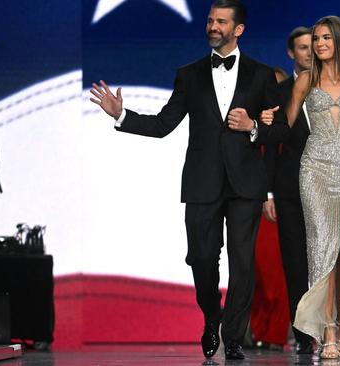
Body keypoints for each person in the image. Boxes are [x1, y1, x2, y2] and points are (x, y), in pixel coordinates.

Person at [88, 0, 289, 360]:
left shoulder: (261, 76)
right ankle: (212, 316)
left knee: (243, 262)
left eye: (221, 22)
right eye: (210, 20)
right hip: (202, 181)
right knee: (200, 257)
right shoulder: (189, 74)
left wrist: (253, 127)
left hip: (245, 183)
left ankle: (234, 336)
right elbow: (164, 124)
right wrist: (122, 116)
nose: (213, 26)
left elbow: (281, 132)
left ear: (238, 29)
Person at [262, 16, 340, 359]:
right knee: (323, 252)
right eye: (316, 39)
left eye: (325, 38)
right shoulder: (304, 79)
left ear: (339, 40)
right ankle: (327, 331)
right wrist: (265, 123)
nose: (319, 44)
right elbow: (285, 127)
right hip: (315, 170)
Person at [261, 26, 315, 354]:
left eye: (314, 45)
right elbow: (269, 148)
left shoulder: (335, 87)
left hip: (331, 187)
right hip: (290, 188)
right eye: (303, 47)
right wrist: (268, 194)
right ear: (291, 53)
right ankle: (303, 333)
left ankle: (335, 328)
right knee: (295, 261)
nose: (310, 51)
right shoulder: (277, 95)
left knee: (331, 260)